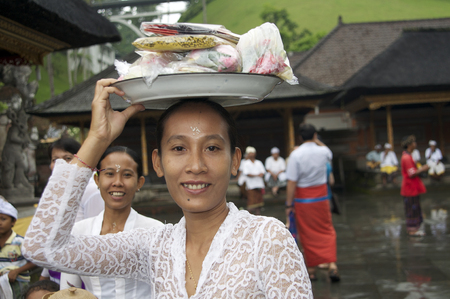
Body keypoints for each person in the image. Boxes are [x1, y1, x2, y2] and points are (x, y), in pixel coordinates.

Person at [23, 79, 312, 298]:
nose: (196, 165)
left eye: (212, 147)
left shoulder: (267, 240)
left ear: (234, 160)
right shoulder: (153, 248)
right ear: (158, 163)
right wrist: (98, 138)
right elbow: (43, 248)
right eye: (179, 148)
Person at [60, 146, 163, 298]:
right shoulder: (78, 233)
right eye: (109, 174)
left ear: (139, 183)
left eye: (127, 175)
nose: (117, 182)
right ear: (97, 180)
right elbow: (68, 291)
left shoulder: (155, 232)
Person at [40, 138, 105, 284]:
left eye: (67, 158)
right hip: (56, 266)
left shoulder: (91, 190)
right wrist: (45, 272)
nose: (60, 164)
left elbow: (96, 236)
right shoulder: (56, 190)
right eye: (54, 159)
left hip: (81, 269)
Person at [285, 124, 340, 283]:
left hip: (304, 199)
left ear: (300, 137)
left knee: (307, 233)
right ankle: (332, 265)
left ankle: (312, 269)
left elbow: (291, 182)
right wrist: (317, 140)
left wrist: (289, 204)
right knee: (327, 229)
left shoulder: (296, 155)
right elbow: (328, 151)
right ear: (315, 135)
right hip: (322, 197)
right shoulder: (323, 152)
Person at [0, 199, 36, 299]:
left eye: (3, 219)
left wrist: (16, 271)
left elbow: (34, 261)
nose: (0, 223)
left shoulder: (20, 242)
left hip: (18, 283)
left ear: (13, 222)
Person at [400, 136, 429, 236]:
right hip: (409, 188)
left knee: (414, 207)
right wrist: (423, 168)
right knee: (412, 209)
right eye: (413, 142)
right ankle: (413, 230)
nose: (415, 144)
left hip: (412, 187)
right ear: (409, 145)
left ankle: (414, 228)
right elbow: (411, 173)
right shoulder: (406, 157)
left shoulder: (408, 155)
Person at [241, 146, 266, 215]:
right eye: (250, 153)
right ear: (248, 154)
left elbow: (263, 172)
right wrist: (257, 175)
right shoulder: (246, 163)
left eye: (253, 153)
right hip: (251, 185)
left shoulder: (259, 162)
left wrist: (258, 175)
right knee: (251, 202)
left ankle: (258, 216)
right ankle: (249, 217)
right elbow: (247, 173)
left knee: (259, 202)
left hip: (259, 185)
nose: (252, 154)